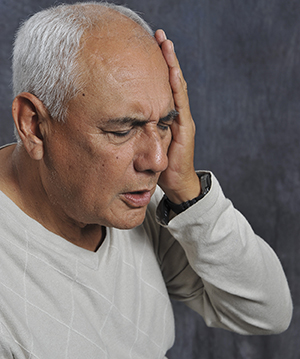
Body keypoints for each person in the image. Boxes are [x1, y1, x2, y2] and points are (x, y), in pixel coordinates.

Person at [0, 2, 292, 358]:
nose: (157, 160)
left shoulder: (143, 204)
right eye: (123, 130)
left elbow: (266, 314)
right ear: (33, 126)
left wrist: (187, 193)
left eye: (165, 125)